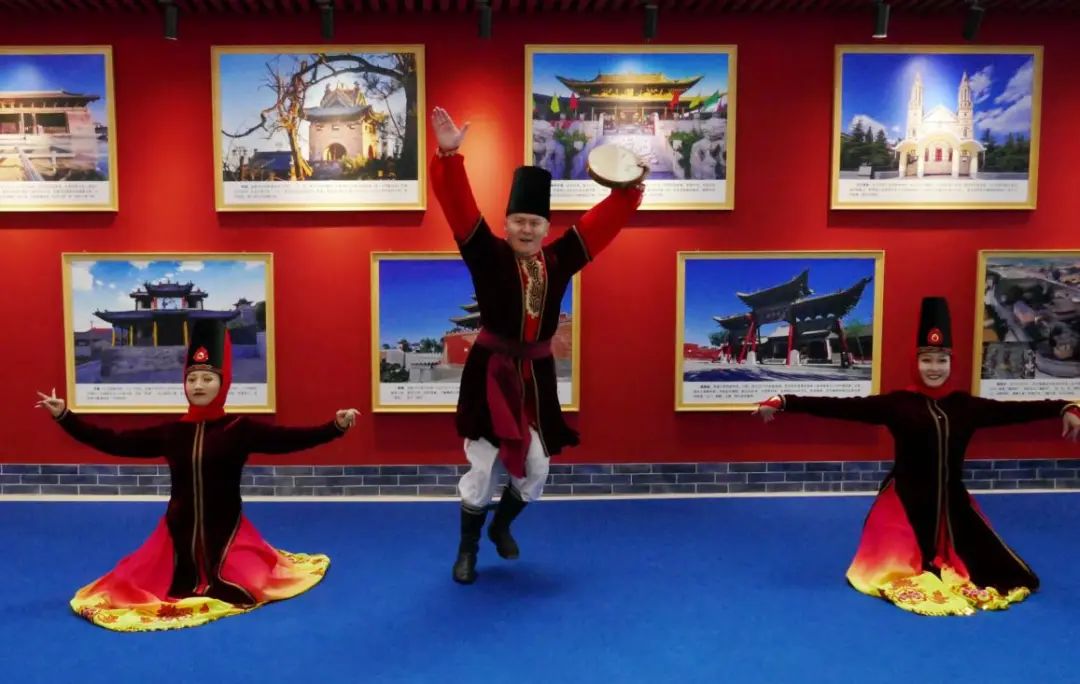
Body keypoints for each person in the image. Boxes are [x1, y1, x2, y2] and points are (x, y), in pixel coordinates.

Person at [754, 297, 1080, 616]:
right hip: (903, 505)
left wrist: (1064, 407)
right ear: (916, 362)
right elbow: (841, 406)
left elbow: (1017, 411)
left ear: (951, 364)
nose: (934, 368)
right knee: (894, 569)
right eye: (927, 360)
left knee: (1009, 574)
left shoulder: (966, 406)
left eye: (941, 360)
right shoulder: (898, 404)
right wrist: (785, 400)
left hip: (953, 506)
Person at [429, 106, 644, 584]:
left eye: (535, 223)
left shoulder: (560, 259)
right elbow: (460, 208)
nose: (526, 230)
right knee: (482, 468)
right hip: (489, 375)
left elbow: (599, 226)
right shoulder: (486, 255)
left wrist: (628, 190)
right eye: (519, 221)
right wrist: (448, 157)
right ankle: (467, 550)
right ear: (506, 224)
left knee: (538, 469)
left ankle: (500, 526)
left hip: (535, 379)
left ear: (547, 228)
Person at [35, 320, 359, 631]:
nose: (199, 386)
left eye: (207, 378)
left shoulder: (239, 429)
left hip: (228, 532)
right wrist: (65, 417)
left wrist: (335, 427)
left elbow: (290, 440)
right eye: (192, 379)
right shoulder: (172, 433)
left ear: (223, 383)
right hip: (177, 535)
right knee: (135, 588)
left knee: (253, 584)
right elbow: (114, 442)